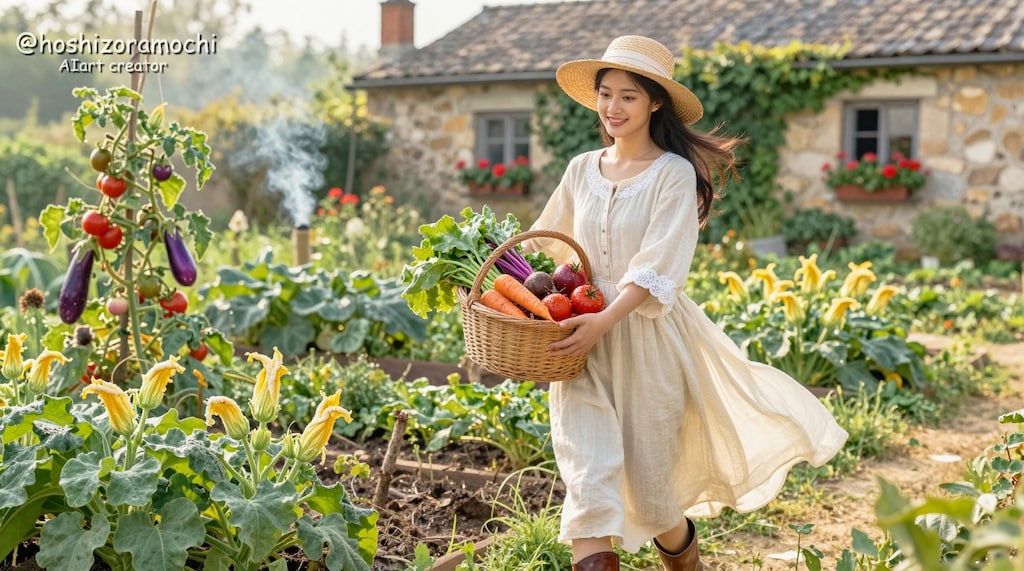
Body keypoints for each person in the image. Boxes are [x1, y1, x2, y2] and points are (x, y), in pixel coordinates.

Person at [523, 35, 849, 571]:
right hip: (578, 345)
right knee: (588, 481)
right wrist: (489, 273)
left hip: (646, 339)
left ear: (655, 102)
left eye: (628, 96)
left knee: (654, 496)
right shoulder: (581, 169)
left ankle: (687, 563)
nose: (613, 107)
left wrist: (605, 318)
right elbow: (543, 243)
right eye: (606, 94)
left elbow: (660, 264)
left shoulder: (671, 174)